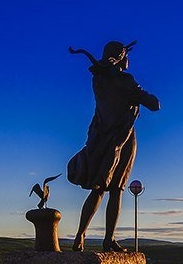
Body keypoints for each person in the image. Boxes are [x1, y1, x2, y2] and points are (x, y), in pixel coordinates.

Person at [66, 40, 160, 252]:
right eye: (126, 55)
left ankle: (80, 235)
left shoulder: (99, 79)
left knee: (98, 189)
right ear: (120, 57)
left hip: (100, 137)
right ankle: (109, 239)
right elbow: (154, 104)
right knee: (116, 189)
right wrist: (140, 93)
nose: (129, 59)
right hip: (122, 139)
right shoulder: (125, 81)